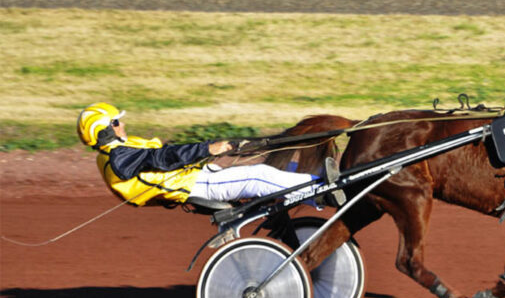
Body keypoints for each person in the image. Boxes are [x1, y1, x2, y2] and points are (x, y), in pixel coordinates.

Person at [77, 102, 338, 207]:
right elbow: (161, 159)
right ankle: (322, 190)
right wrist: (207, 149)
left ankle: (316, 185)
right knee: (258, 177)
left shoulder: (119, 151)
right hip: (196, 186)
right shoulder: (118, 158)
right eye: (115, 122)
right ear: (104, 131)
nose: (121, 124)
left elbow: (165, 154)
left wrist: (207, 152)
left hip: (199, 177)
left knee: (274, 173)